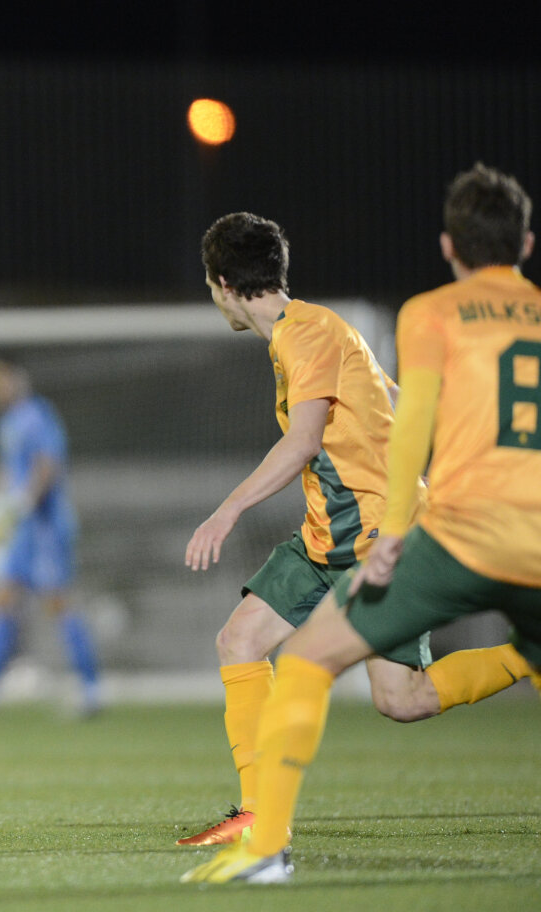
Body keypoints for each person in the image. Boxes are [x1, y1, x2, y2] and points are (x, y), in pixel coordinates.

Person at [182, 164, 541, 884]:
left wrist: (227, 510)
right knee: (240, 640)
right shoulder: (310, 334)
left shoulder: (309, 332)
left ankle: (524, 659)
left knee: (401, 699)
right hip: (326, 535)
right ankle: (256, 815)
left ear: (222, 285)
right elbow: (393, 396)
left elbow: (303, 442)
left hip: (372, 531)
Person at [0, 356, 100, 715]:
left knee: (58, 602)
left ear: (17, 379)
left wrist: (25, 500)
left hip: (46, 528)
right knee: (1, 599)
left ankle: (91, 689)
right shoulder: (8, 421)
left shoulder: (36, 415)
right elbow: (12, 469)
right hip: (23, 532)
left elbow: (47, 465)